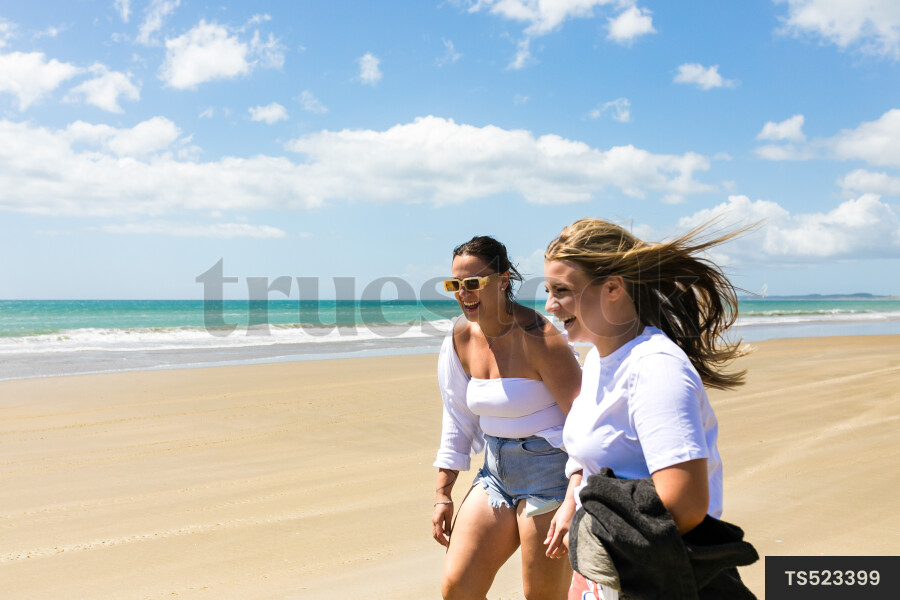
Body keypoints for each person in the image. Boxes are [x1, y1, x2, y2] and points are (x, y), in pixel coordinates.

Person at [542, 218, 748, 600]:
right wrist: (573, 499)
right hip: (603, 575)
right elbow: (590, 455)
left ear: (614, 288)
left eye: (563, 291)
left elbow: (685, 506)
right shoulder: (597, 361)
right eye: (549, 291)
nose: (551, 305)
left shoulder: (655, 368)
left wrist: (589, 522)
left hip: (659, 580)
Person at [432, 235, 583, 600]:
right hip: (495, 473)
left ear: (502, 280)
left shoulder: (541, 338)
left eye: (473, 283)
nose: (463, 293)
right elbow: (457, 418)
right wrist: (443, 492)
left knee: (542, 597)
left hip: (551, 475)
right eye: (455, 285)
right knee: (457, 588)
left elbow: (583, 424)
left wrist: (574, 497)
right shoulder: (459, 339)